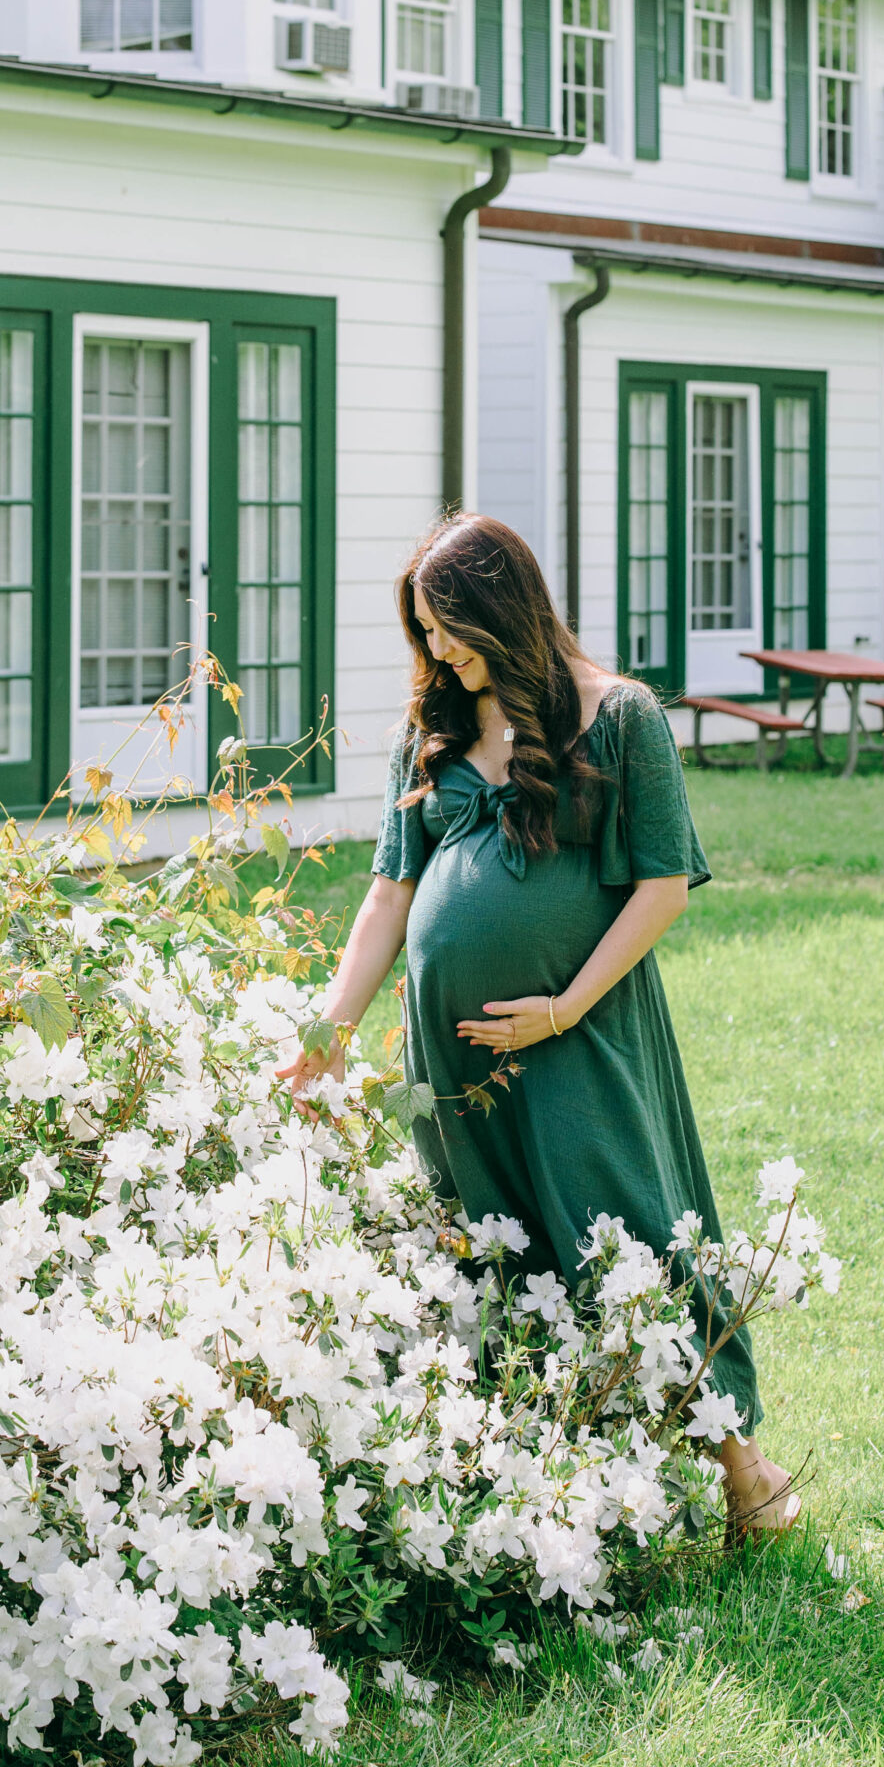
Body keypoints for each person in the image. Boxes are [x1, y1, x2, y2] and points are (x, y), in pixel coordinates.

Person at [281, 512, 800, 1540]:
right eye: (424, 633)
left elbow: (661, 891)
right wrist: (329, 1028)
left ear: (503, 611)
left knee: (627, 1237)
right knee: (496, 1251)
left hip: (579, 1036)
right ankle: (554, 1498)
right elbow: (389, 897)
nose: (438, 651)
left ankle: (746, 1471)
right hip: (454, 1068)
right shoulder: (426, 738)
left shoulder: (620, 720)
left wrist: (561, 1008)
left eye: (449, 628)